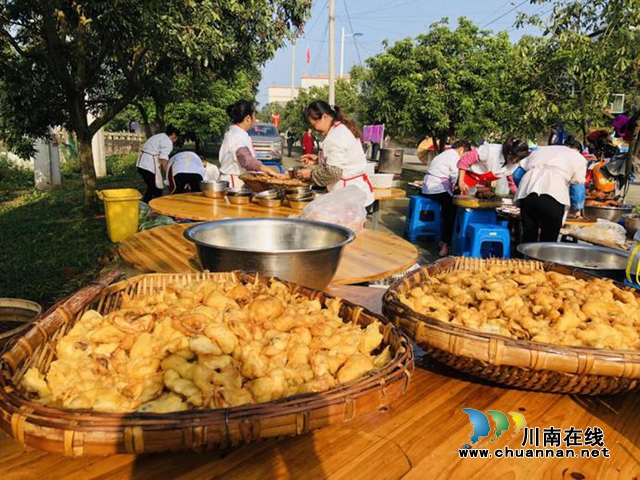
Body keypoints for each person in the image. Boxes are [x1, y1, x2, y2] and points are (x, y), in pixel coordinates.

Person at [296, 100, 374, 206]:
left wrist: (310, 174)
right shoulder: (342, 128)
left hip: (349, 197)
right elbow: (344, 159)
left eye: (314, 125)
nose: (314, 129)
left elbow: (334, 173)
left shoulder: (335, 136)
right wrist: (318, 160)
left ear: (324, 117)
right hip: (357, 192)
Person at [514, 143, 587, 243]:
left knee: (529, 235)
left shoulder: (541, 150)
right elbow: (577, 188)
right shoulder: (578, 157)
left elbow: (517, 175)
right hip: (555, 193)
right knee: (549, 238)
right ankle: (543, 258)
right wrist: (576, 209)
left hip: (528, 192)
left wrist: (524, 189)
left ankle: (525, 257)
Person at [421, 139, 472, 257]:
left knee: (449, 205)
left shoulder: (445, 153)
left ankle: (444, 236)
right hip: (436, 188)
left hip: (429, 187)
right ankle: (445, 243)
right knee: (452, 209)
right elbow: (455, 176)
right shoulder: (454, 157)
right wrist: (461, 185)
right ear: (462, 149)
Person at [218, 100, 280, 188]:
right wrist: (270, 171)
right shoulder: (238, 134)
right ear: (248, 118)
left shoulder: (236, 131)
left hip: (235, 179)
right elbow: (247, 160)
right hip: (234, 182)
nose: (254, 119)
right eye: (254, 115)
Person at [457, 138, 530, 194]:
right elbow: (464, 162)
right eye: (515, 158)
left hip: (482, 185)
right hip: (467, 179)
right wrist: (461, 181)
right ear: (509, 153)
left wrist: (518, 194)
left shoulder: (514, 164)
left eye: (519, 159)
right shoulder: (491, 150)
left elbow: (511, 182)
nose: (516, 162)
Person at [136, 125, 179, 203]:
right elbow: (163, 159)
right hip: (148, 165)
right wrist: (168, 174)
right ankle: (155, 208)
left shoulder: (160, 136)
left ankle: (145, 207)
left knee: (152, 188)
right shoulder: (168, 142)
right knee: (157, 189)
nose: (176, 139)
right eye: (177, 137)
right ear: (173, 135)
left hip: (142, 164)